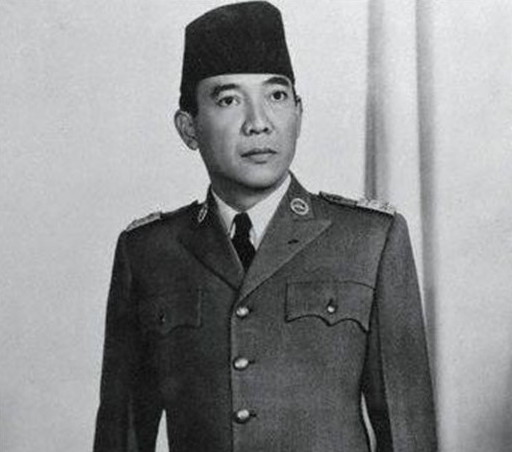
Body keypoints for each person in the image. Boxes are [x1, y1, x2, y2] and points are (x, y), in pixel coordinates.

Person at [93, 2, 437, 451]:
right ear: (188, 128)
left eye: (276, 96)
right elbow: (121, 436)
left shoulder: (369, 241)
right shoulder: (148, 251)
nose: (258, 124)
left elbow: (408, 434)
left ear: (298, 112)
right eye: (229, 100)